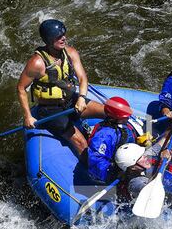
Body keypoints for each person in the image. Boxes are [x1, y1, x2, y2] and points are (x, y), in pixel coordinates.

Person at [16, 19, 106, 161]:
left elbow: (83, 78)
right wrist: (27, 116)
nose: (63, 38)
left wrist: (81, 98)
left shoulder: (70, 53)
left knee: (108, 111)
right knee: (80, 142)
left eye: (63, 34)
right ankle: (94, 171)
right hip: (50, 110)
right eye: (58, 37)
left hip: (71, 101)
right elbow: (21, 88)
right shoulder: (37, 63)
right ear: (49, 39)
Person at [86, 97, 140, 183]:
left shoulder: (125, 125)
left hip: (129, 163)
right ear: (114, 118)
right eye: (125, 117)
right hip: (114, 171)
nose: (128, 118)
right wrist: (114, 173)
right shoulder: (104, 135)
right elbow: (96, 159)